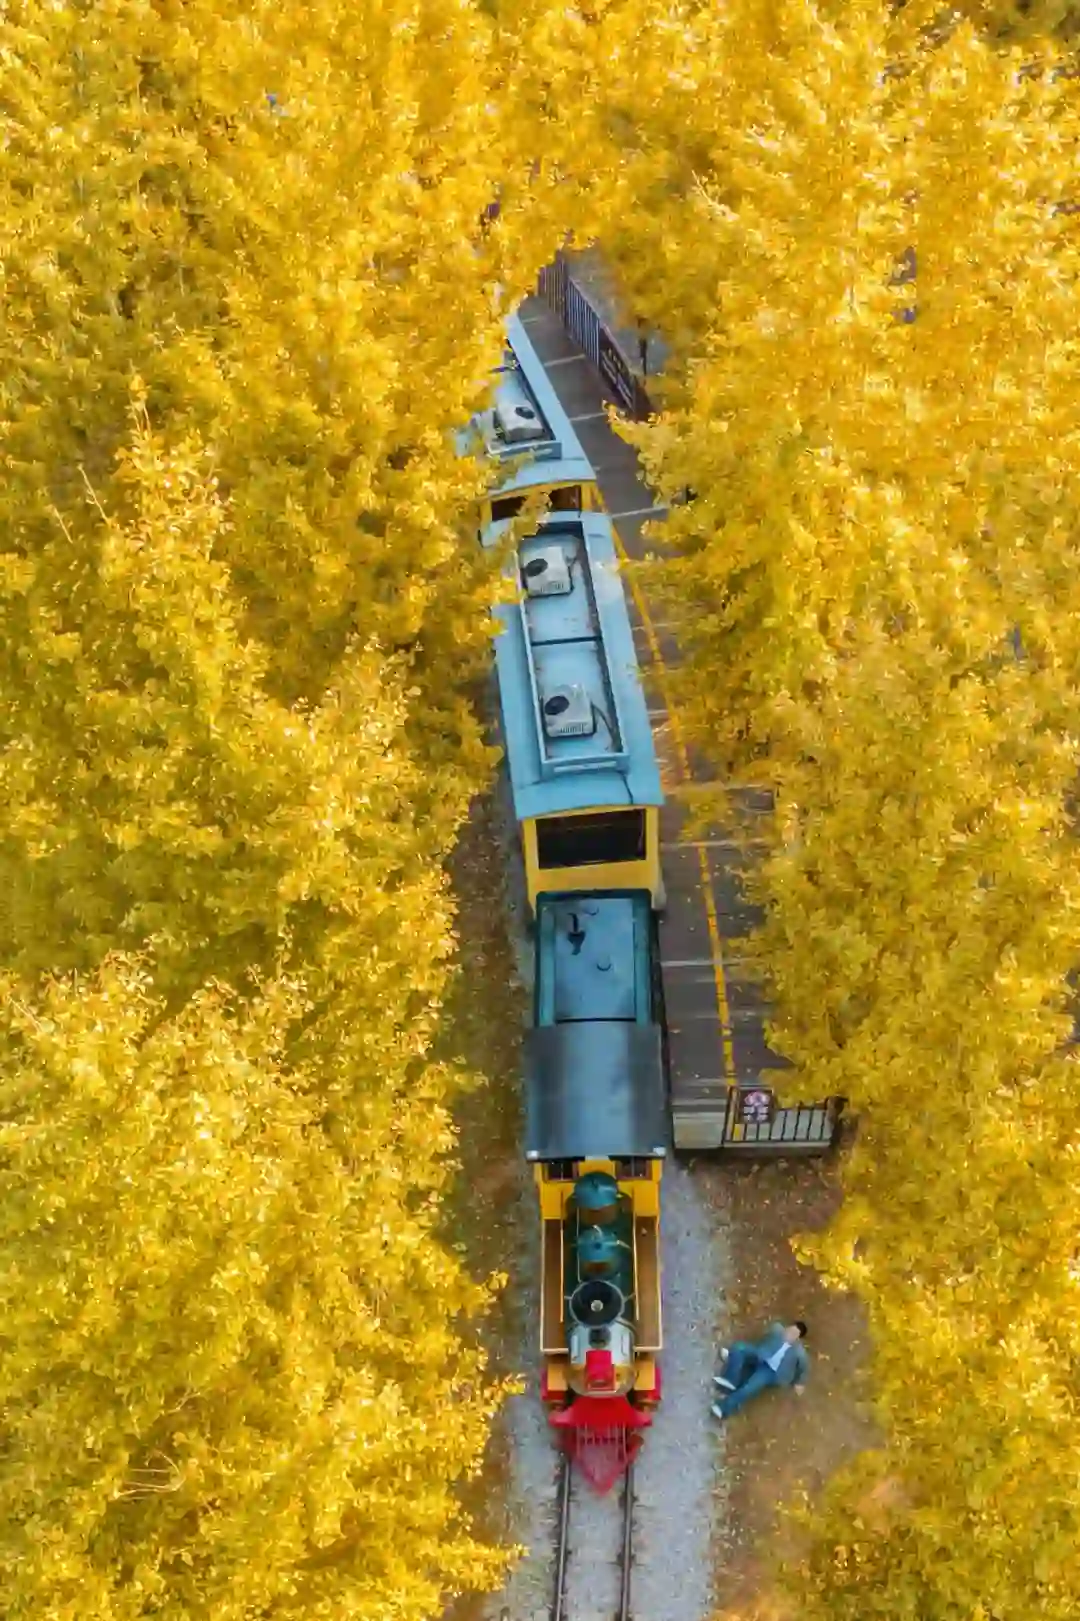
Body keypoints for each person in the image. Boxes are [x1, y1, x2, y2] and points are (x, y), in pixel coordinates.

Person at [710, 1321, 808, 1421]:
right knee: (738, 1347)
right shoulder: (777, 1330)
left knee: (749, 1388)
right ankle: (730, 1380)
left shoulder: (799, 1352)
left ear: (798, 1339)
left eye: (794, 1334)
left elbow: (803, 1368)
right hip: (761, 1354)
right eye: (790, 1330)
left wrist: (800, 1383)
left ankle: (724, 1408)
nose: (790, 1334)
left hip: (770, 1371)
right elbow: (766, 1335)